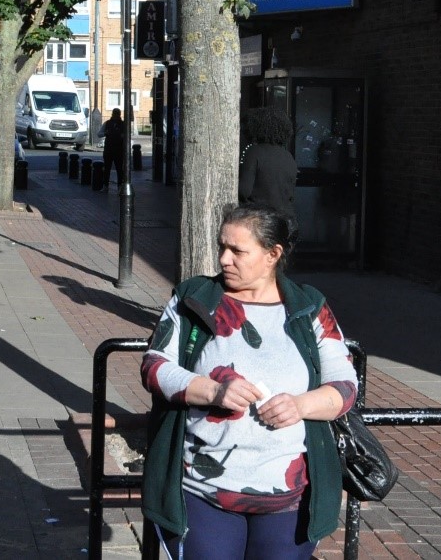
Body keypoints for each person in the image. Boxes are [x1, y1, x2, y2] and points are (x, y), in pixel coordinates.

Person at [140, 204, 358, 559]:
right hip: (201, 490)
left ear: (273, 254)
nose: (224, 259)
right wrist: (213, 390)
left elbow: (346, 386)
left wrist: (301, 405)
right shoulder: (194, 298)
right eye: (222, 247)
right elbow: (154, 366)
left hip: (289, 497)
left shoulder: (308, 307)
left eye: (238, 251)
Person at [239, 106, 299, 220]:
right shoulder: (288, 156)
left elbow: (244, 191)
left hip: (262, 220)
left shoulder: (253, 152)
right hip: (286, 219)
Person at [100, 107, 128, 187]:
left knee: (119, 169)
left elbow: (127, 136)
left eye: (117, 115)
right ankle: (105, 185)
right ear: (112, 114)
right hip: (108, 149)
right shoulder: (107, 123)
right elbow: (99, 134)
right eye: (114, 114)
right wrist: (105, 133)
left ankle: (120, 186)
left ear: (119, 115)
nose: (116, 116)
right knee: (107, 169)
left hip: (119, 150)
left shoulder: (123, 124)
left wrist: (123, 136)